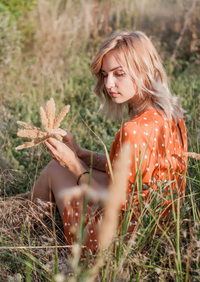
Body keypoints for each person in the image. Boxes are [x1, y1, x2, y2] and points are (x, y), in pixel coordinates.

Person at [28, 31, 188, 255]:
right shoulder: (172, 116)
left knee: (57, 168)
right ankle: (29, 215)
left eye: (119, 74)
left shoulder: (133, 130)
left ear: (143, 70)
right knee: (71, 167)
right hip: (159, 233)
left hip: (118, 245)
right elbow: (130, 172)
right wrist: (81, 153)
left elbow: (108, 203)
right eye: (104, 75)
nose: (109, 84)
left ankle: (23, 225)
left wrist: (73, 164)